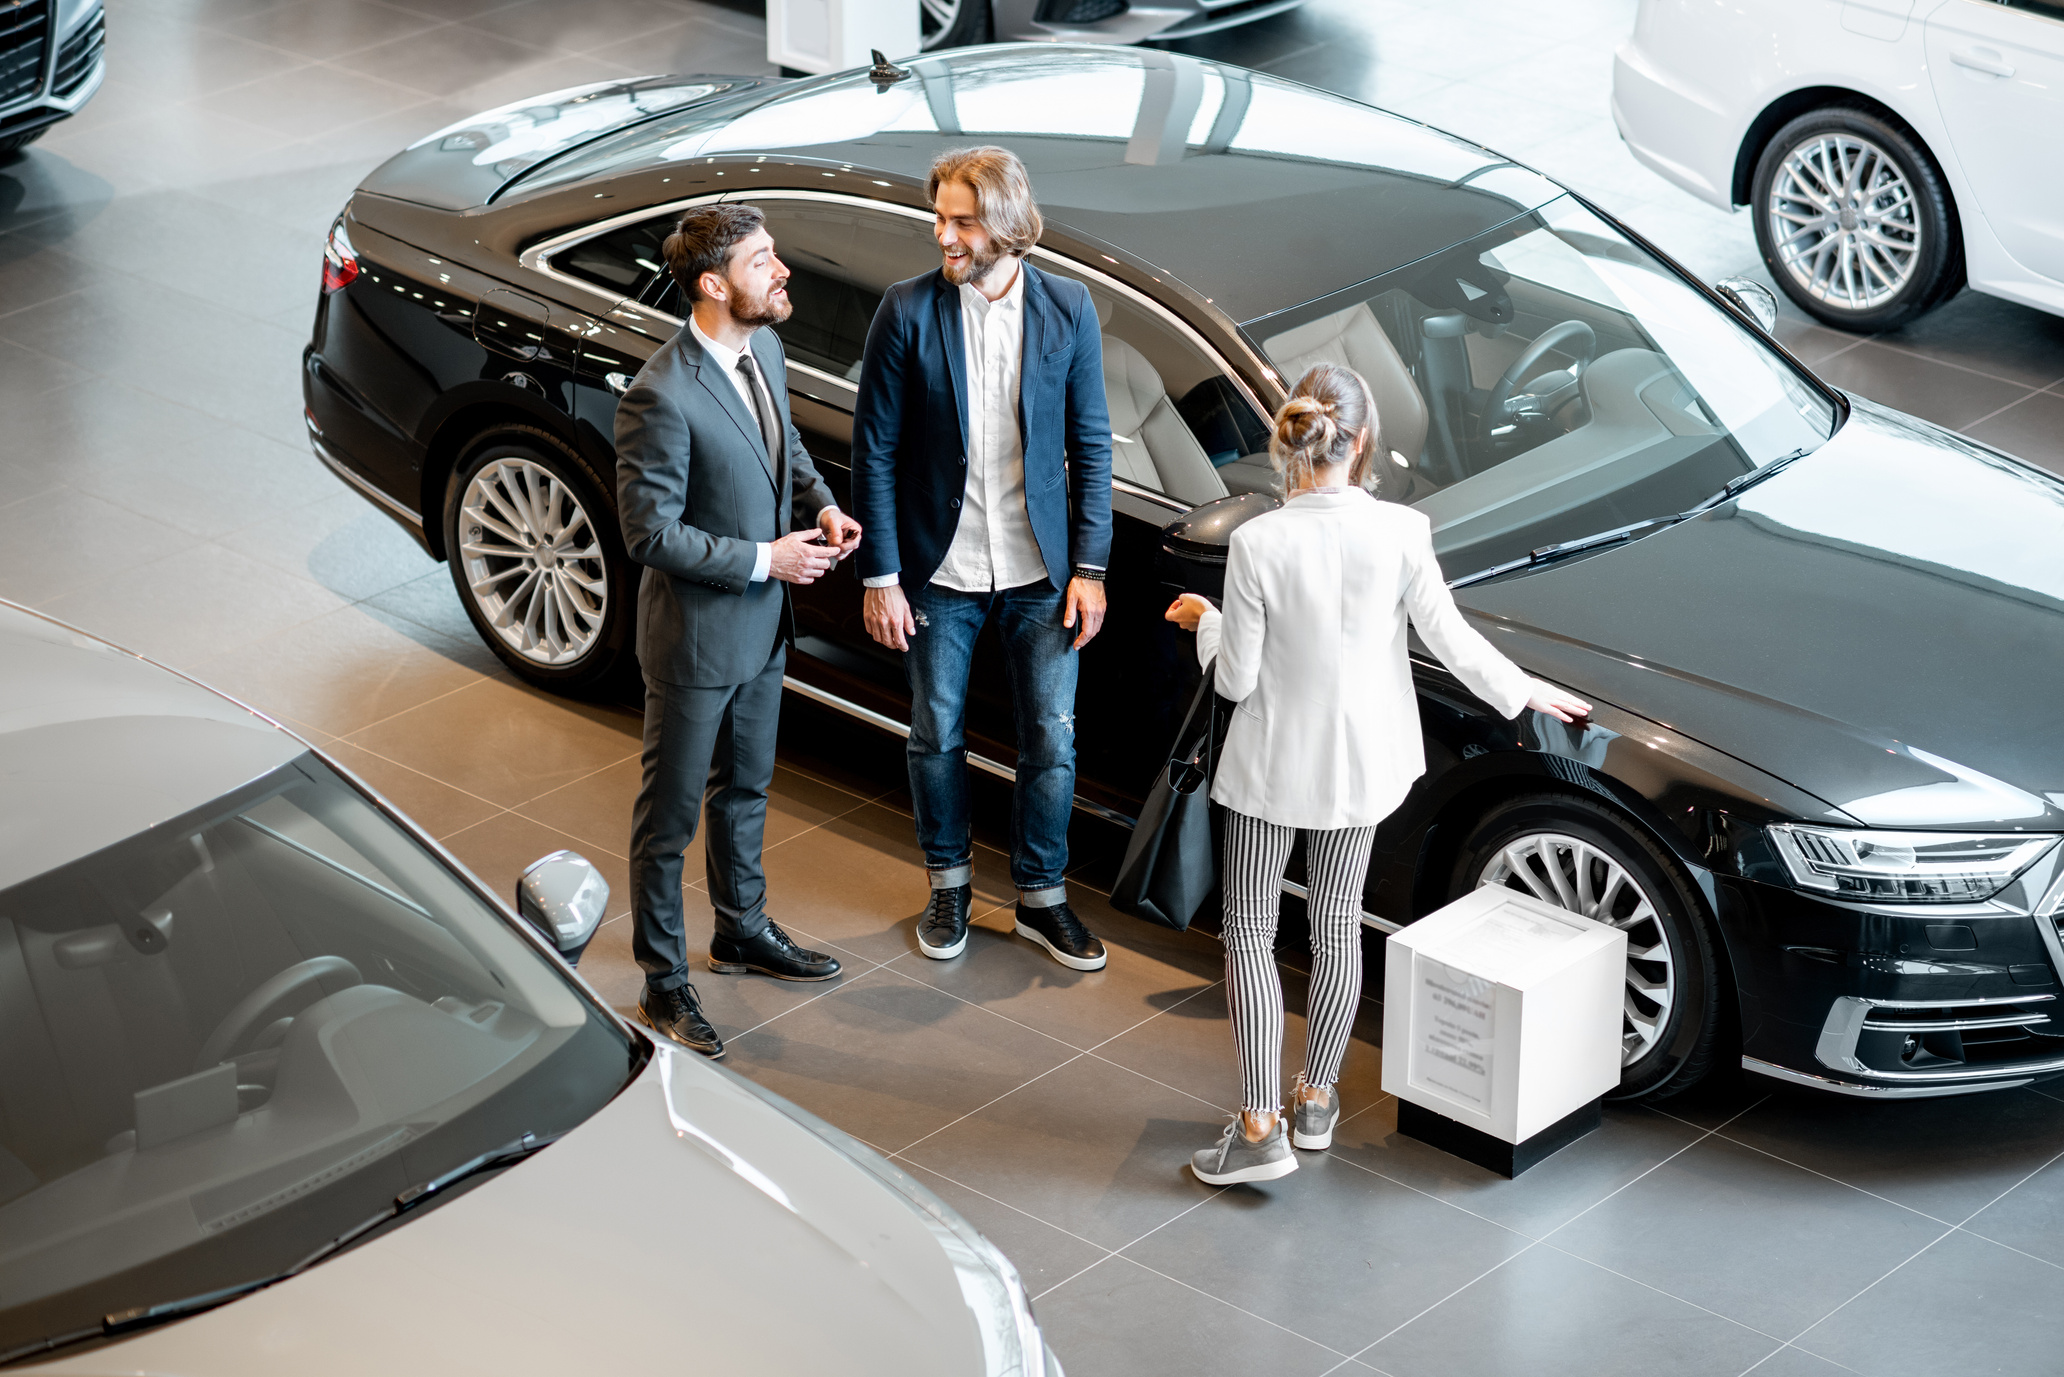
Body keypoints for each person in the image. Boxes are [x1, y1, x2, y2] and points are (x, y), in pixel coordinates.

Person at [1165, 362, 1591, 1184]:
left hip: (1272, 766)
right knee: (1337, 923)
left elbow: (1236, 680)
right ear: (1361, 441)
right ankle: (1316, 1099)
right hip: (1363, 766)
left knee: (1251, 928)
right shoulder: (1403, 531)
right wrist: (1527, 691)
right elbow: (1453, 640)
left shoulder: (1259, 541)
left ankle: (1259, 1127)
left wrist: (1207, 623)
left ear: (1294, 439)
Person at [851, 146, 1115, 971]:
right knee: (935, 735)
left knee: (1053, 740)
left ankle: (1041, 898)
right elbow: (876, 453)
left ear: (1005, 225)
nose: (946, 236)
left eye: (962, 221)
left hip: (1043, 573)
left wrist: (1092, 566)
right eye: (941, 220)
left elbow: (1092, 446)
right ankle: (950, 883)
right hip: (940, 571)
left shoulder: (1069, 310)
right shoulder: (905, 311)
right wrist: (881, 576)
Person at [616, 203, 864, 1060]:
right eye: (764, 262)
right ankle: (662, 977)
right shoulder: (661, 393)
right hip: (694, 641)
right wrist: (768, 558)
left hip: (761, 632)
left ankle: (740, 930)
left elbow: (783, 447)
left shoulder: (764, 346)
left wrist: (823, 507)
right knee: (670, 816)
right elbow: (649, 533)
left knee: (747, 789)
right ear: (715, 285)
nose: (783, 270)